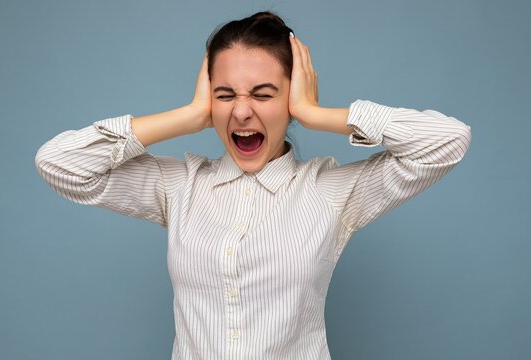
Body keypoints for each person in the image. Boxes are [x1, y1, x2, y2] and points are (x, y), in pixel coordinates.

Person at [35, 10, 471, 360]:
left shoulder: (331, 191)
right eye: (225, 96)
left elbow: (447, 142)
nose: (242, 113)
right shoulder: (180, 186)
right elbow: (59, 164)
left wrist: (316, 113)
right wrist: (187, 116)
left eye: (263, 95)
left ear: (290, 99)